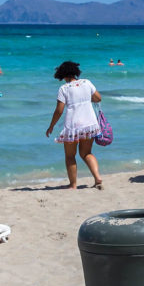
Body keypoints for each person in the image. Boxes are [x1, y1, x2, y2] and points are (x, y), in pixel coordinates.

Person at [46, 61, 104, 190]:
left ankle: (73, 185)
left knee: (70, 156)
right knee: (87, 153)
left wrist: (51, 126)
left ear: (62, 74)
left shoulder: (64, 89)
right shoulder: (87, 83)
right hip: (90, 124)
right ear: (75, 72)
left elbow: (59, 110)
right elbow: (98, 98)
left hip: (73, 126)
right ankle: (97, 177)